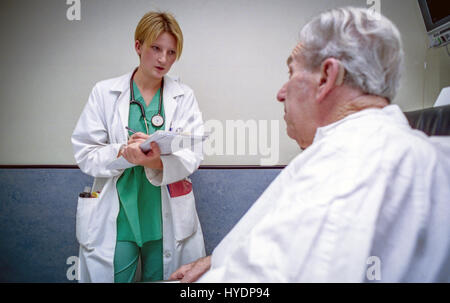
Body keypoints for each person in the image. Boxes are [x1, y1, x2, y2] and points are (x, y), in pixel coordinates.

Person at [169, 7, 450, 282]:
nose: (281, 93)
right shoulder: (404, 150)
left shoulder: (345, 169)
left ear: (327, 77)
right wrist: (217, 261)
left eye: (291, 73)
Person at [71, 11, 206, 283]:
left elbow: (193, 154)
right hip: (118, 215)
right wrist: (124, 153)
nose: (163, 59)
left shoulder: (184, 96)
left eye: (171, 52)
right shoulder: (104, 92)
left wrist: (154, 161)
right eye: (156, 48)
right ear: (138, 46)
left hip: (164, 214)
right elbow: (85, 152)